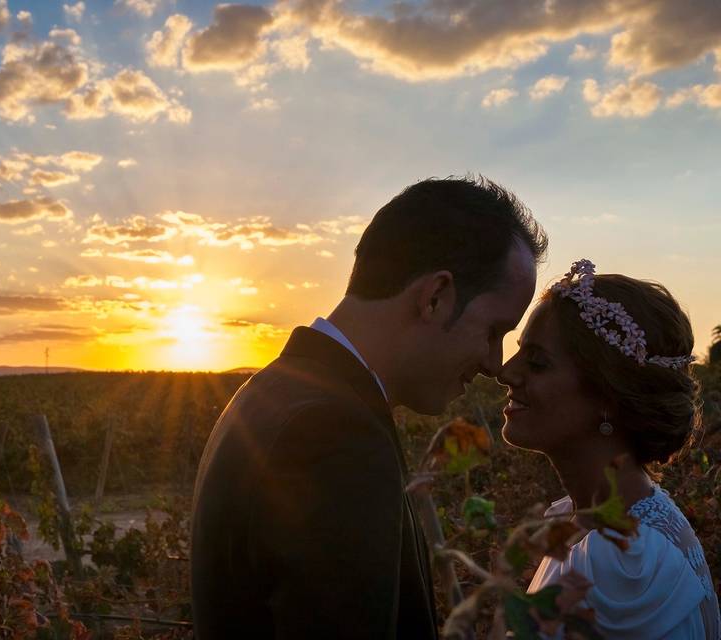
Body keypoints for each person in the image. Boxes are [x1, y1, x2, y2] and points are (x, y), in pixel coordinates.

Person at [190, 176, 547, 639]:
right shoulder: (335, 435)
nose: (494, 363)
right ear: (436, 297)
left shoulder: (268, 392)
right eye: (494, 330)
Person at [499, 259, 721, 639]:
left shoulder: (621, 563)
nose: (506, 372)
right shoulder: (611, 518)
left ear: (607, 394)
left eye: (537, 362)